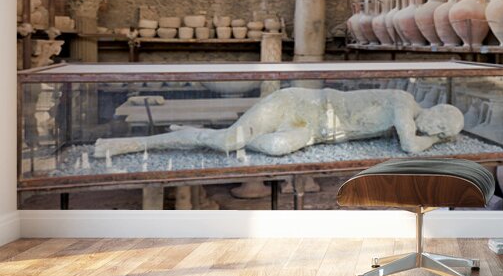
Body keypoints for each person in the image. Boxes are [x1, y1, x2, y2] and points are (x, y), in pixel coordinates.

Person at [94, 87, 464, 158]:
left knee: (276, 148)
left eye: (442, 134)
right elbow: (410, 145)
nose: (436, 132)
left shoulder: (402, 117)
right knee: (229, 143)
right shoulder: (404, 103)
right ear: (437, 113)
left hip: (311, 132)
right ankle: (133, 145)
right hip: (298, 103)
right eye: (441, 127)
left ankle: (207, 135)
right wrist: (438, 143)